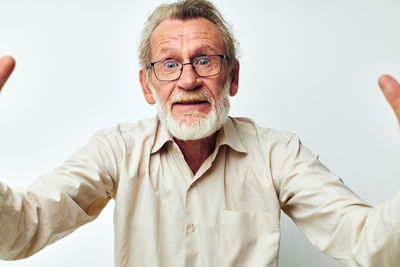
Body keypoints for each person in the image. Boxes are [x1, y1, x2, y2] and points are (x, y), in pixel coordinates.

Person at [1, 0, 400, 266]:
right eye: (170, 64)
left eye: (205, 60)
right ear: (147, 84)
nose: (188, 79)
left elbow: (368, 242)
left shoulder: (277, 153)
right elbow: (21, 231)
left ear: (233, 76)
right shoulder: (117, 150)